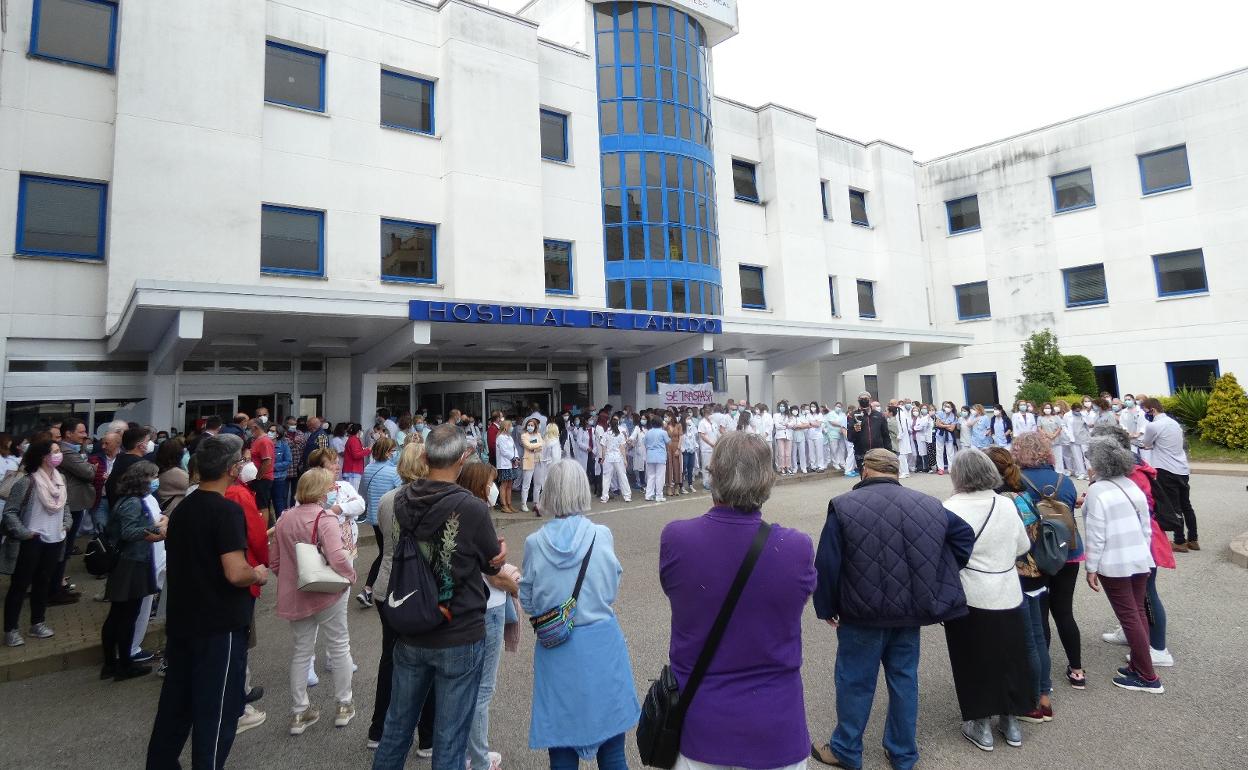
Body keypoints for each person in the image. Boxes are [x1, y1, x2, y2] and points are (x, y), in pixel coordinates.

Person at [812, 449, 972, 770]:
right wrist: (938, 571)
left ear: (866, 471)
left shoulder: (844, 506)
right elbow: (963, 536)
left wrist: (826, 605)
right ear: (895, 472)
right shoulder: (927, 504)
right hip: (909, 610)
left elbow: (827, 563)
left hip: (861, 612)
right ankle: (902, 752)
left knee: (855, 680)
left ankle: (846, 749)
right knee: (904, 678)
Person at [662, 432, 814, 770]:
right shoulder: (796, 547)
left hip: (702, 722)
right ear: (768, 478)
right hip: (776, 724)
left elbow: (674, 590)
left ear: (714, 474)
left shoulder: (678, 538)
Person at [371, 425, 505, 770]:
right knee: (450, 736)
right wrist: (498, 557)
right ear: (464, 458)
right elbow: (491, 562)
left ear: (426, 456)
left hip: (409, 621)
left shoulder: (397, 499)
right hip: (458, 627)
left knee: (397, 727)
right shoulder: (471, 507)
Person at [146, 434, 268, 768]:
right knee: (217, 712)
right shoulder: (225, 510)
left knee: (175, 707)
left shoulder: (183, 507)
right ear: (232, 469)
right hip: (219, 625)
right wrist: (256, 573)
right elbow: (235, 571)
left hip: (184, 620)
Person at [520, 459, 639, 769]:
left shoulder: (534, 543)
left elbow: (529, 600)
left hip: (557, 648)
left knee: (561, 748)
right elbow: (610, 589)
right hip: (601, 644)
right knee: (613, 750)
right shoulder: (602, 535)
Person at [941, 449, 1033, 751]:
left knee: (972, 658)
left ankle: (980, 724)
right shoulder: (1005, 504)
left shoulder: (950, 508)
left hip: (970, 592)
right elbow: (1023, 545)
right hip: (1007, 589)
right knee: (1011, 655)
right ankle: (1011, 720)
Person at [272, 467, 359, 734]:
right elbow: (338, 556)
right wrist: (350, 576)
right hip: (328, 591)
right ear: (322, 492)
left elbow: (275, 562)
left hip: (296, 593)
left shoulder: (284, 519)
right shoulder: (325, 519)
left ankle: (300, 712)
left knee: (301, 651)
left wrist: (290, 576)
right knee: (339, 644)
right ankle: (344, 704)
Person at [1081, 438, 1163, 693]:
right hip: (1139, 557)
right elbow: (1146, 527)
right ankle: (1139, 665)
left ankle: (1148, 676)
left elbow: (1096, 534)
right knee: (1136, 612)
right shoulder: (1131, 484)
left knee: (1129, 616)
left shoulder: (1097, 491)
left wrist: (1091, 567)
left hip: (1114, 562)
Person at [365, 441, 431, 751]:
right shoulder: (430, 499)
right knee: (427, 659)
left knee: (390, 658)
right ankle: (427, 736)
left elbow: (384, 544)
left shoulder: (388, 499)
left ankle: (378, 730)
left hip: (385, 584)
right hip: (417, 587)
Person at [1093, 425, 1176, 668]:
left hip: (1141, 539)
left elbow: (1135, 507)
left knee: (1147, 594)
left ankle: (1158, 648)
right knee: (1133, 595)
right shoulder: (1126, 470)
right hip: (1132, 537)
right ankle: (1132, 632)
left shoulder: (1134, 474)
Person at [458, 461, 521, 770]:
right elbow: (493, 573)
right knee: (482, 689)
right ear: (480, 486)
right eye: (491, 483)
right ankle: (478, 759)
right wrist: (514, 585)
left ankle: (466, 752)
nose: (495, 488)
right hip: (489, 607)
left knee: (465, 685)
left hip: (465, 606)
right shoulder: (478, 515)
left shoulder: (457, 513)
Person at [984, 446, 1053, 725]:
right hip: (1037, 573)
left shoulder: (1003, 501)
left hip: (1018, 575)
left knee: (1026, 641)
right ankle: (1044, 695)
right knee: (1036, 637)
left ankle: (1031, 702)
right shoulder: (1023, 494)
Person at [1012, 431, 1086, 690]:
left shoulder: (1017, 481)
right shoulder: (1064, 481)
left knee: (1039, 615)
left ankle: (1044, 678)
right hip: (1069, 551)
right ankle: (1077, 669)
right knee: (1065, 611)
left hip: (1035, 555)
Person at [2, 440, 73, 647]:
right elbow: (11, 512)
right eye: (56, 452)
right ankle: (11, 629)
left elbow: (64, 505)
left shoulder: (61, 480)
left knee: (44, 582)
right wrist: (25, 533)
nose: (59, 455)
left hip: (54, 539)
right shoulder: (27, 482)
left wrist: (66, 524)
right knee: (20, 585)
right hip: (31, 540)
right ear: (44, 456)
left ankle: (37, 622)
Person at [100, 461, 165, 681]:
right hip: (131, 562)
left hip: (132, 560)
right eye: (154, 476)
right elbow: (128, 532)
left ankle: (113, 662)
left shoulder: (129, 500)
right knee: (126, 615)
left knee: (120, 614)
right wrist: (157, 530)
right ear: (144, 479)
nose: (156, 480)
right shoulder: (132, 503)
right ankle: (122, 663)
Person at [1139, 398, 1198, 552]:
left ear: (1151, 409)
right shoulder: (1174, 423)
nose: (1145, 414)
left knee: (1174, 505)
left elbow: (1146, 443)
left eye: (1145, 410)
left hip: (1166, 468)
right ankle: (1193, 539)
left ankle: (1179, 541)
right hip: (1182, 468)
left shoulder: (1153, 425)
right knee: (1186, 505)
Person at [52, 418, 94, 604]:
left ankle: (56, 585)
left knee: (66, 549)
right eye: (81, 432)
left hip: (75, 504)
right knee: (63, 549)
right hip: (70, 505)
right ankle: (54, 589)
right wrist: (92, 468)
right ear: (68, 433)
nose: (85, 435)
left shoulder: (76, 450)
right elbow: (88, 472)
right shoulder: (66, 451)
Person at [357, 437, 401, 608]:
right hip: (391, 519)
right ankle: (370, 589)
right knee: (388, 554)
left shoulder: (368, 469)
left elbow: (362, 492)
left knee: (384, 552)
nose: (394, 453)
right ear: (388, 453)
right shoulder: (393, 473)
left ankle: (369, 589)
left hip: (374, 518)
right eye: (392, 451)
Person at [848, 392, 891, 474]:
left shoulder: (879, 416)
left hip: (878, 452)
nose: (864, 400)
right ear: (858, 400)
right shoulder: (853, 416)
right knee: (865, 477)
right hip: (861, 453)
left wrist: (888, 451)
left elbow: (886, 435)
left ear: (870, 400)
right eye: (861, 399)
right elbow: (850, 437)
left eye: (866, 399)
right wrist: (855, 431)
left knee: (879, 476)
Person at [597, 415, 631, 504]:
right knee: (622, 476)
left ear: (609, 425)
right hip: (618, 457)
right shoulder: (620, 435)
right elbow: (622, 448)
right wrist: (625, 459)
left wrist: (603, 458)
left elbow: (603, 448)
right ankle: (627, 496)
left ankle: (604, 497)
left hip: (608, 458)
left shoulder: (605, 434)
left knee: (606, 477)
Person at [246, 419, 276, 514]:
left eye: (249, 428)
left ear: (255, 428)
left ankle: (263, 528)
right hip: (258, 478)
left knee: (261, 505)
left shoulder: (264, 441)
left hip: (263, 478)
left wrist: (258, 477)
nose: (249, 431)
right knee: (258, 504)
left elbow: (267, 461)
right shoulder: (258, 440)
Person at [533, 423, 563, 515]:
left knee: (540, 485)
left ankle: (537, 504)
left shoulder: (544, 440)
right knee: (553, 487)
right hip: (552, 465)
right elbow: (556, 456)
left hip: (541, 464)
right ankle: (552, 506)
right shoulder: (555, 441)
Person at [155, 437, 190, 511]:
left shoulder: (158, 469)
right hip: (172, 511)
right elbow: (193, 487)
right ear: (178, 454)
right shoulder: (176, 473)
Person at [518, 418, 545, 513]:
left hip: (539, 461)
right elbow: (528, 446)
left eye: (532, 425)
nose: (530, 427)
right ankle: (523, 504)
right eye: (528, 425)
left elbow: (542, 445)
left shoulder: (538, 434)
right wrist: (537, 446)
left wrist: (534, 447)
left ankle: (536, 503)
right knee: (526, 484)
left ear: (535, 427)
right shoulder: (524, 435)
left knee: (538, 484)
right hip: (529, 461)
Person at [643, 415, 671, 503]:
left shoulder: (648, 432)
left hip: (650, 455)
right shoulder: (663, 432)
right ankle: (659, 495)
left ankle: (648, 495)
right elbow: (668, 442)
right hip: (660, 456)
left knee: (651, 476)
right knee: (660, 476)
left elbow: (644, 442)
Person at [495, 420, 518, 513]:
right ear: (505, 427)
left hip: (511, 464)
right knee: (504, 484)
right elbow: (504, 451)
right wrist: (513, 458)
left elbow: (514, 448)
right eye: (510, 426)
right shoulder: (500, 437)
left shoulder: (510, 437)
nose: (512, 428)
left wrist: (516, 457)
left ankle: (509, 504)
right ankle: (503, 505)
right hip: (504, 464)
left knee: (510, 484)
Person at [272, 426, 293, 516]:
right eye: (269, 430)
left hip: (278, 477)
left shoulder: (284, 445)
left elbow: (288, 461)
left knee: (278, 501)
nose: (269, 432)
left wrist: (272, 467)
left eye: (272, 431)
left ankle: (280, 523)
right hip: (265, 477)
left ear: (278, 434)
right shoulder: (264, 443)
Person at [1066, 402, 1090, 480]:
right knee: (1077, 457)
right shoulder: (1067, 415)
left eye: (1079, 410)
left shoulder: (1084, 414)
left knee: (1086, 457)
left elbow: (1088, 424)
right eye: (1076, 411)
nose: (1077, 412)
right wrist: (1068, 435)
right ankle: (1081, 473)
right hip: (1073, 439)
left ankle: (1089, 473)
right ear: (1072, 410)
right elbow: (1064, 426)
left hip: (1084, 437)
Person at [342, 424, 369, 490]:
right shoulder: (354, 440)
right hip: (353, 471)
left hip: (352, 470)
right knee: (353, 493)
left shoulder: (353, 439)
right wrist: (368, 450)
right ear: (359, 431)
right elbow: (356, 455)